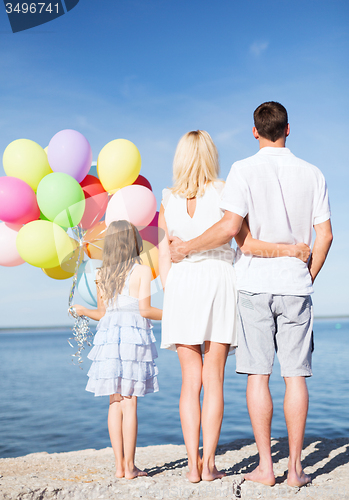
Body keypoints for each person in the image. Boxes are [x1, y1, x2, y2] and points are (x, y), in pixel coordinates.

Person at [169, 104, 333, 488]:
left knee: (258, 376)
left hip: (254, 285)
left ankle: (265, 467)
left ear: (255, 132)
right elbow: (324, 236)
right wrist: (306, 276)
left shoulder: (242, 170)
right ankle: (295, 469)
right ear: (289, 129)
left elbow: (230, 226)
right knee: (296, 377)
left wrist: (186, 247)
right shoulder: (313, 173)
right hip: (295, 284)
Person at [72, 220, 162, 479]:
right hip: (133, 336)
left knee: (115, 402)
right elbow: (145, 310)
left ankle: (119, 466)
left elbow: (101, 313)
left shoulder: (102, 273)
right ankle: (131, 467)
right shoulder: (142, 271)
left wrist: (82, 310)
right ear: (133, 242)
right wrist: (173, 315)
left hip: (110, 338)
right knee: (130, 402)